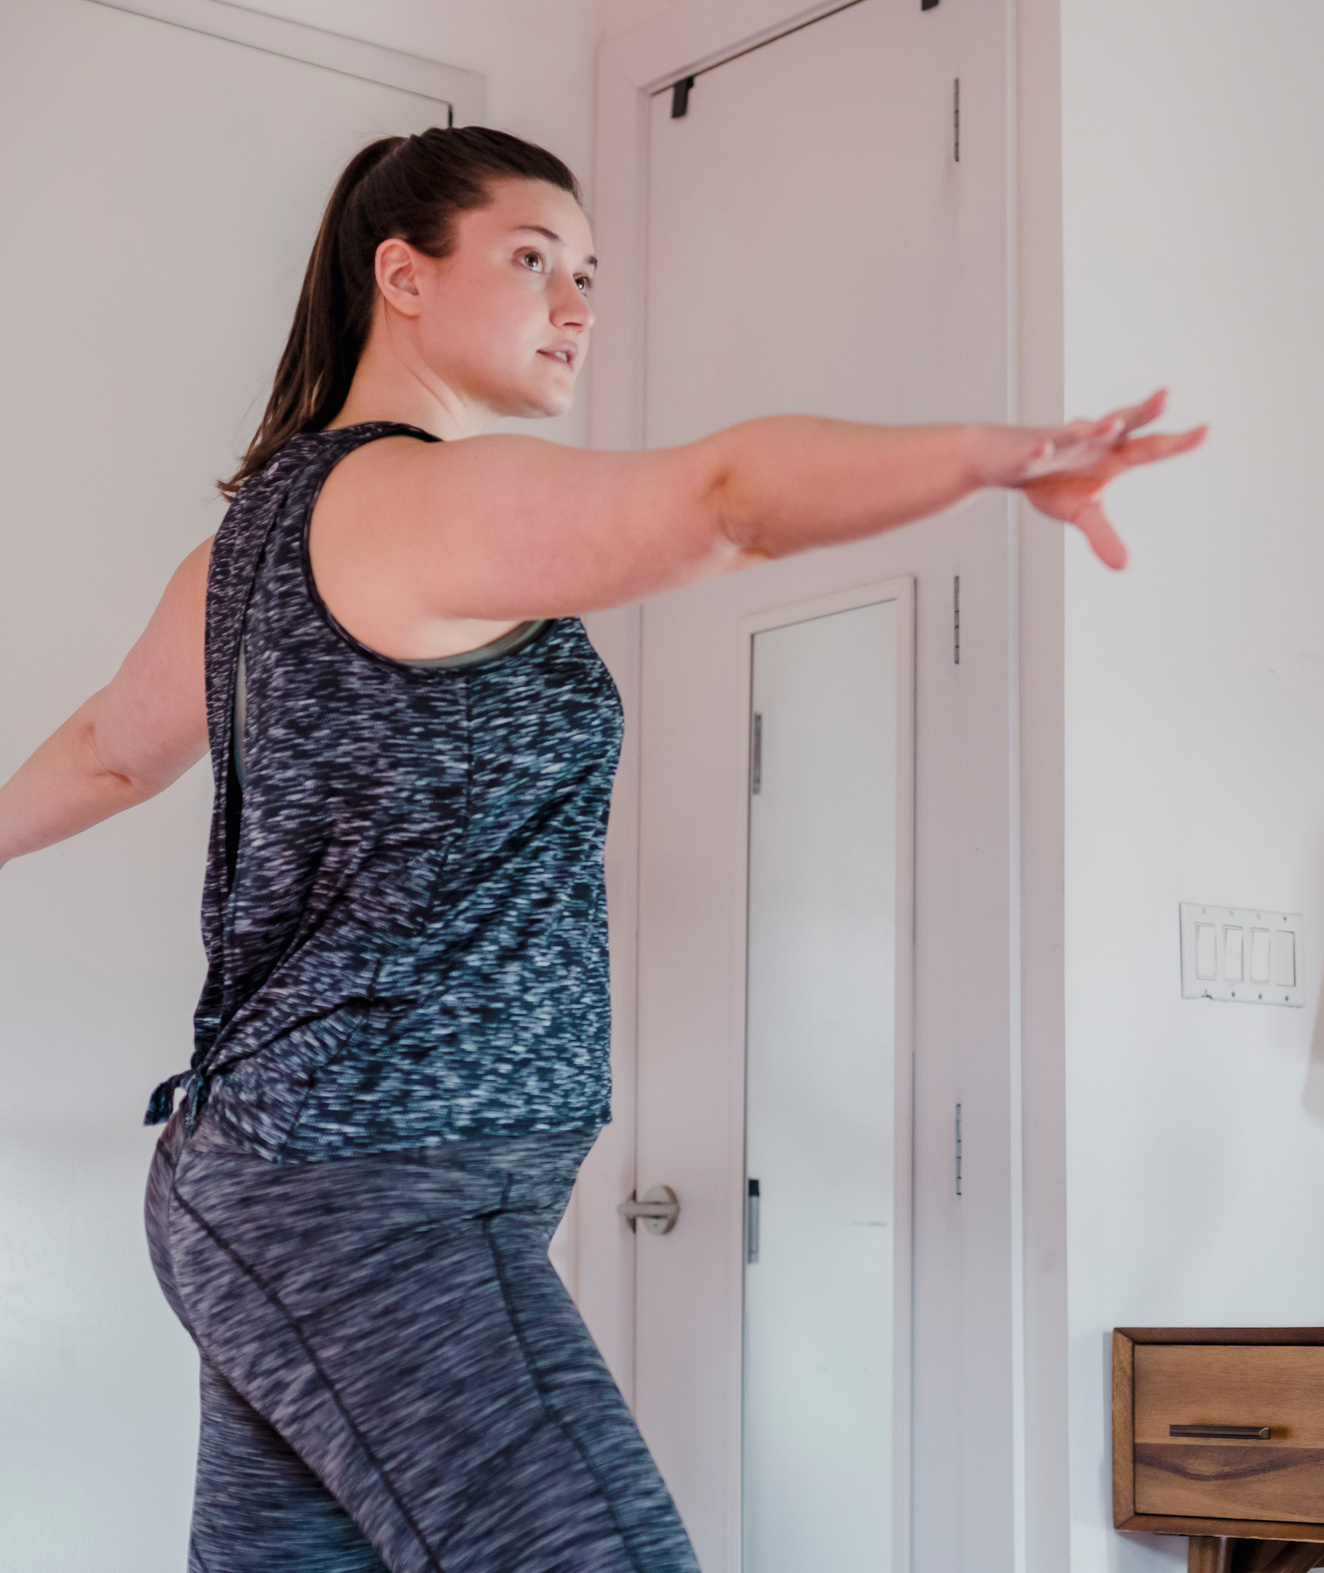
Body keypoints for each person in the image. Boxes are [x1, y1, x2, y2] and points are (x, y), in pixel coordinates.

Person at [0, 127, 1201, 1573]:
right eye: (530, 260)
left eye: (587, 273)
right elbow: (725, 503)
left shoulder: (251, 540)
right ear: (405, 278)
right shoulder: (420, 500)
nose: (576, 302)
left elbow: (111, 751)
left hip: (287, 1175)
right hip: (367, 1187)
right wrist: (992, 458)